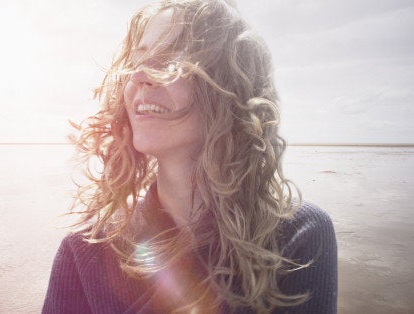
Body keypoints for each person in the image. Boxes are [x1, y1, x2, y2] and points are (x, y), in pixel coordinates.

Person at [43, 0, 337, 313]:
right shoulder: (86, 249)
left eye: (171, 61)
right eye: (137, 60)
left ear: (230, 87)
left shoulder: (297, 237)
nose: (140, 75)